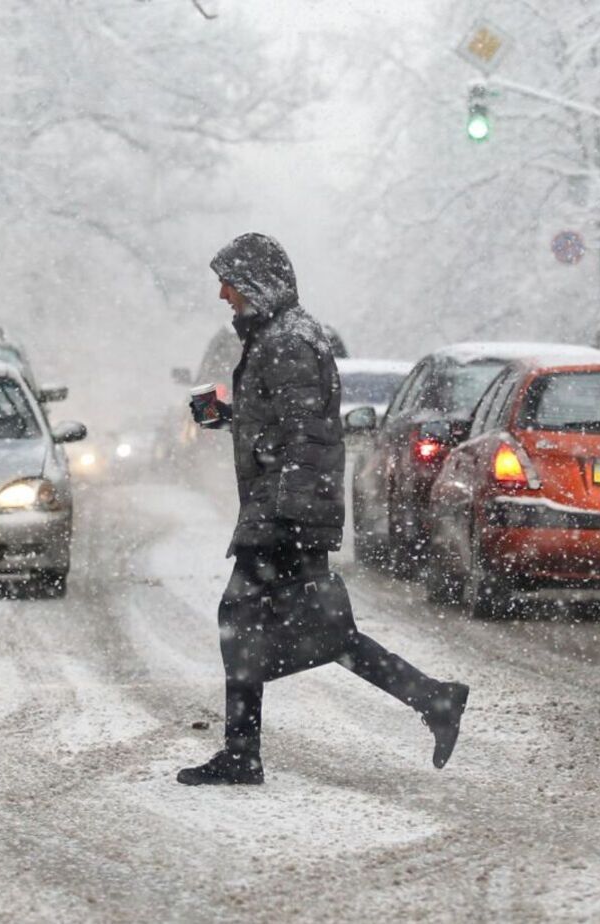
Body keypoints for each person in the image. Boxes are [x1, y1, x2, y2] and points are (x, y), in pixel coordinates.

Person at [177, 232, 468, 786]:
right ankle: (432, 698)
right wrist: (230, 416)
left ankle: (243, 754)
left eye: (230, 282)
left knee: (248, 624)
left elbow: (307, 437)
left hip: (283, 512)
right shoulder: (282, 337)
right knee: (312, 629)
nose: (222, 294)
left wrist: (290, 519)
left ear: (257, 284)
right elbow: (288, 424)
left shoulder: (288, 341)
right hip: (284, 507)